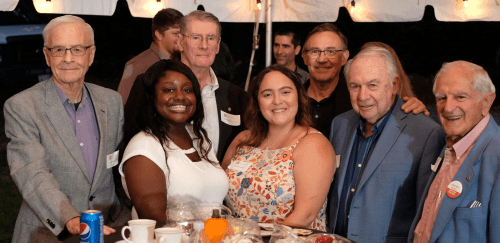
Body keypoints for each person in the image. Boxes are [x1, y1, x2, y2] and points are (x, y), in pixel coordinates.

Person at [4, 15, 130, 242]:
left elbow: (118, 169)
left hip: (107, 230)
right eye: (59, 50)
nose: (68, 58)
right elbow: (31, 173)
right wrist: (70, 218)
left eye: (78, 49)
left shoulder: (111, 102)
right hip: (46, 234)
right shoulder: (22, 106)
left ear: (91, 55)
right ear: (47, 56)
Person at [328, 45, 446, 243]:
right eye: (354, 86)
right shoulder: (340, 124)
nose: (362, 96)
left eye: (372, 85)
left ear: (394, 84)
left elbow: (427, 214)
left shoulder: (426, 133)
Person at [222, 64, 335, 231]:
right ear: (257, 101)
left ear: (298, 96)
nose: (277, 101)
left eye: (285, 92)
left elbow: (304, 216)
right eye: (267, 94)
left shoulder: (312, 144)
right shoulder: (243, 140)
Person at [118, 59, 229, 222]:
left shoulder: (198, 138)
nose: (180, 97)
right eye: (169, 90)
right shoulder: (143, 147)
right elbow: (155, 222)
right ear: (152, 96)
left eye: (187, 90)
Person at [408, 61, 499, 243]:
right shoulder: (450, 144)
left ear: (486, 102)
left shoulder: (496, 156)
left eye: (460, 97)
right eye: (442, 98)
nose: (448, 108)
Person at [301, 23, 428, 137]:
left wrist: (412, 111)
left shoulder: (363, 100)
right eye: (315, 51)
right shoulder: (288, 99)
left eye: (331, 51)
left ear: (344, 57)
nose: (322, 59)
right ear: (304, 57)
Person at [179, 10, 248, 162]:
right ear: (180, 42)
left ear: (217, 46)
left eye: (211, 38)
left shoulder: (236, 96)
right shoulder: (155, 87)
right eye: (196, 37)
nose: (204, 45)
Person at [118, 8, 183, 104]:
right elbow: (122, 106)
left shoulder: (180, 61)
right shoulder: (139, 65)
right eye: (176, 33)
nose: (181, 38)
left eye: (183, 33)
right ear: (159, 34)